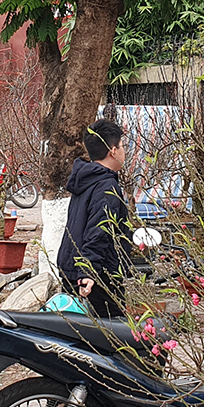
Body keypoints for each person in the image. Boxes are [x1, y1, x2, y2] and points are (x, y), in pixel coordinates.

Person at [57, 118, 132, 319]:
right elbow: (99, 231)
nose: (125, 152)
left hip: (75, 268)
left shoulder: (85, 179)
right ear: (113, 150)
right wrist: (88, 273)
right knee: (113, 337)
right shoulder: (106, 186)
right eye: (123, 147)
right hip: (97, 276)